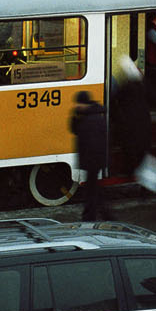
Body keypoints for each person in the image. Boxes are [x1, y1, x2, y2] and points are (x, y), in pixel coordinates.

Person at [70, 91, 109, 221]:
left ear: (84, 103)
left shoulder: (92, 119)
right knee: (94, 189)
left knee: (92, 190)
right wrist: (75, 116)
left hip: (93, 159)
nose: (76, 106)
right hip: (93, 159)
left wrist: (89, 160)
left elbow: (91, 141)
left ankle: (90, 216)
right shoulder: (90, 116)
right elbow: (75, 130)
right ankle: (101, 213)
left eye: (78, 103)